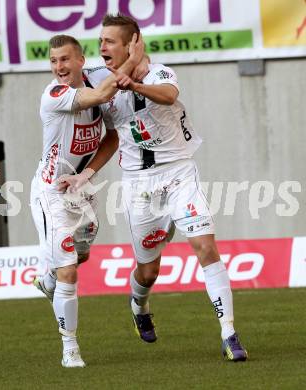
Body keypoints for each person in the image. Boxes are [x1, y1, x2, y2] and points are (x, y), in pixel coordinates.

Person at [59, 13, 248, 362]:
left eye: (110, 40)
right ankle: (139, 304)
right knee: (148, 270)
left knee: (205, 247)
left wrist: (136, 84)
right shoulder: (103, 83)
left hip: (178, 174)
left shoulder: (160, 73)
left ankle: (229, 333)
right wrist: (87, 173)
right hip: (140, 185)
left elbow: (167, 95)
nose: (102, 46)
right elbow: (109, 133)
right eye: (100, 41)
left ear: (132, 43)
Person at [30, 33, 145, 368]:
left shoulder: (95, 80)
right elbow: (103, 92)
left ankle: (47, 278)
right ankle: (70, 348)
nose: (59, 67)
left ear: (81, 60)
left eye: (65, 59)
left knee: (79, 254)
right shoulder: (54, 94)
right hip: (51, 193)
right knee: (69, 271)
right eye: (53, 61)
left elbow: (111, 137)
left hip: (79, 190)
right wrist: (133, 59)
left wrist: (86, 173)